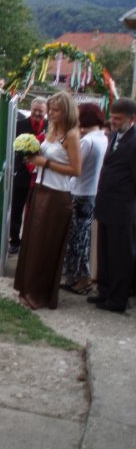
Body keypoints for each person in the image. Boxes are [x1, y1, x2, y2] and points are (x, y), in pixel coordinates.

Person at [14, 91, 81, 310]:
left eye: (56, 110)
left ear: (66, 111)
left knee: (46, 246)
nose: (50, 113)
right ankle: (27, 288)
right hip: (40, 189)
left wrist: (46, 163)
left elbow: (76, 170)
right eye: (50, 109)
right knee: (33, 242)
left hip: (57, 195)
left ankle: (40, 294)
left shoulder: (71, 135)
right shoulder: (52, 130)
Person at [88, 98, 136, 313]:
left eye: (118, 118)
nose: (113, 121)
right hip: (106, 205)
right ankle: (105, 290)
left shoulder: (134, 142)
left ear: (132, 119)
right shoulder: (114, 136)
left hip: (123, 209)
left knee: (120, 256)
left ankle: (118, 298)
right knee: (105, 253)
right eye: (113, 117)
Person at [61, 103, 108, 295]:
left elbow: (74, 166)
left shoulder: (87, 142)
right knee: (84, 237)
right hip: (92, 192)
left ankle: (81, 278)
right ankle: (81, 277)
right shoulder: (103, 138)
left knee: (78, 240)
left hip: (80, 192)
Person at [9, 96, 48, 254]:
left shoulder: (50, 126)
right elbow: (14, 146)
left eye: (41, 111)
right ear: (31, 110)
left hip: (41, 175)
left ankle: (30, 241)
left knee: (35, 210)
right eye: (35, 110)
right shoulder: (20, 125)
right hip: (22, 173)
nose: (37, 113)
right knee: (16, 208)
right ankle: (14, 240)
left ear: (45, 111)